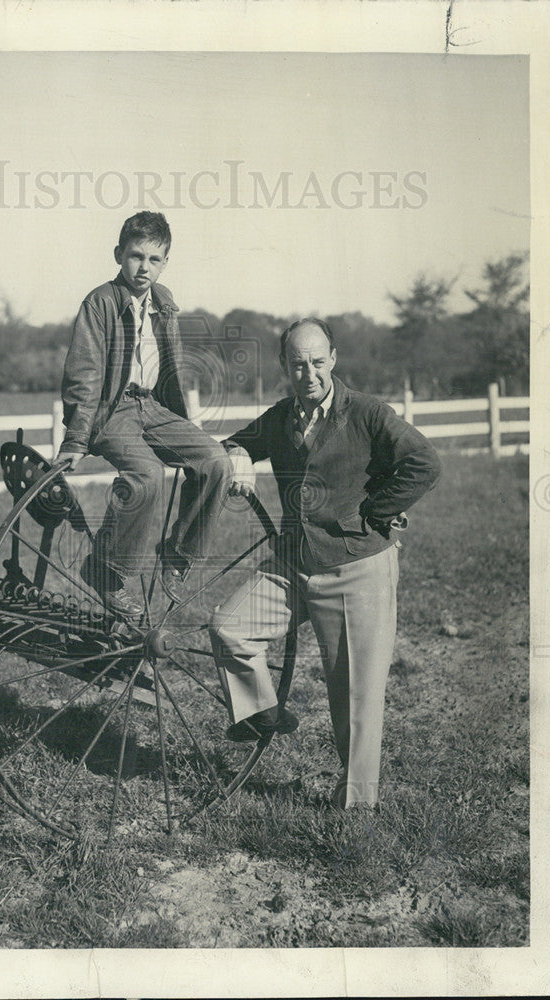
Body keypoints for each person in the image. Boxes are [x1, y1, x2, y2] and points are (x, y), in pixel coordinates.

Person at [209, 318, 441, 808]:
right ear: (284, 366)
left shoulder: (369, 413)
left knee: (354, 698)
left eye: (317, 362)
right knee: (229, 627)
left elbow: (424, 461)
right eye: (298, 364)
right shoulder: (279, 418)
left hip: (358, 569)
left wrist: (376, 511)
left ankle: (356, 808)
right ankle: (262, 713)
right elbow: (235, 444)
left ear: (333, 359)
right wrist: (239, 457)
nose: (308, 373)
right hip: (292, 565)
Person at [58, 211, 231, 618]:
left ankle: (178, 556)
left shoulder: (165, 302)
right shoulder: (99, 302)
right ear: (119, 254)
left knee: (216, 462)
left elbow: (169, 365)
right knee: (147, 475)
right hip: (111, 409)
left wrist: (179, 418)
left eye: (155, 260)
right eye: (136, 256)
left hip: (152, 406)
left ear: (165, 262)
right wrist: (76, 440)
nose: (144, 268)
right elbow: (83, 375)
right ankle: (108, 571)